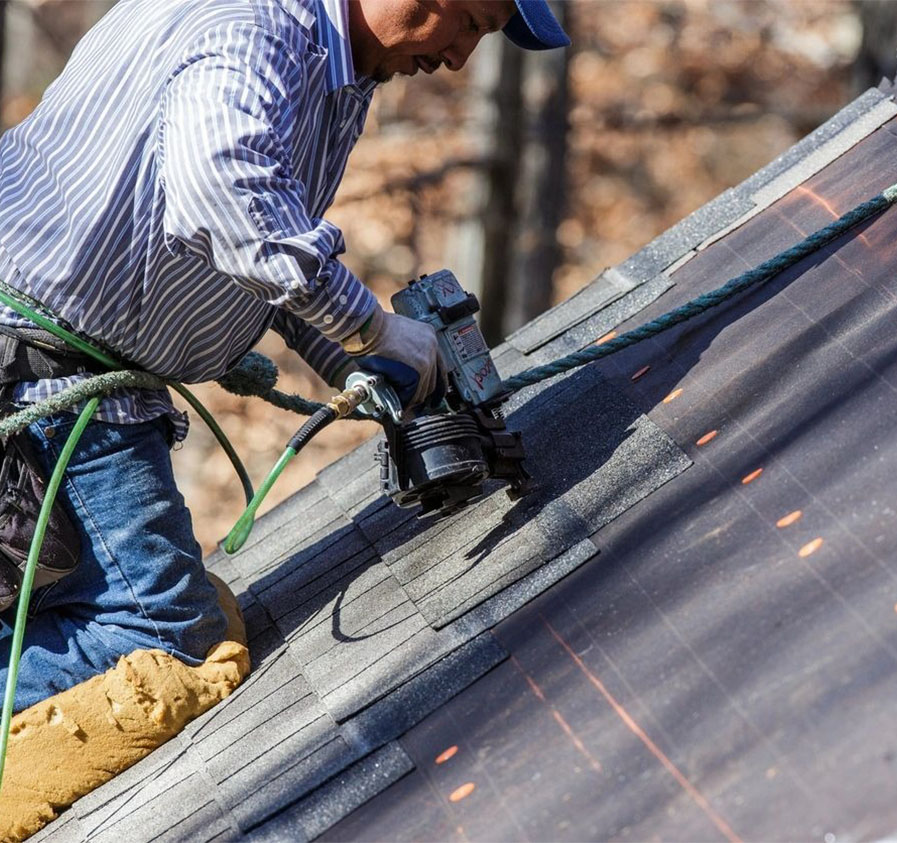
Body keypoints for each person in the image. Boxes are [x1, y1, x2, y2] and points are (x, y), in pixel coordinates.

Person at [0, 0, 569, 710]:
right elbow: (222, 191)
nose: (459, 58)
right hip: (43, 373)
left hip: (60, 366)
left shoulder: (334, 68)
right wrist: (370, 327)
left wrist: (350, 355)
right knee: (164, 635)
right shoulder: (261, 29)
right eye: (469, 22)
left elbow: (260, 231)